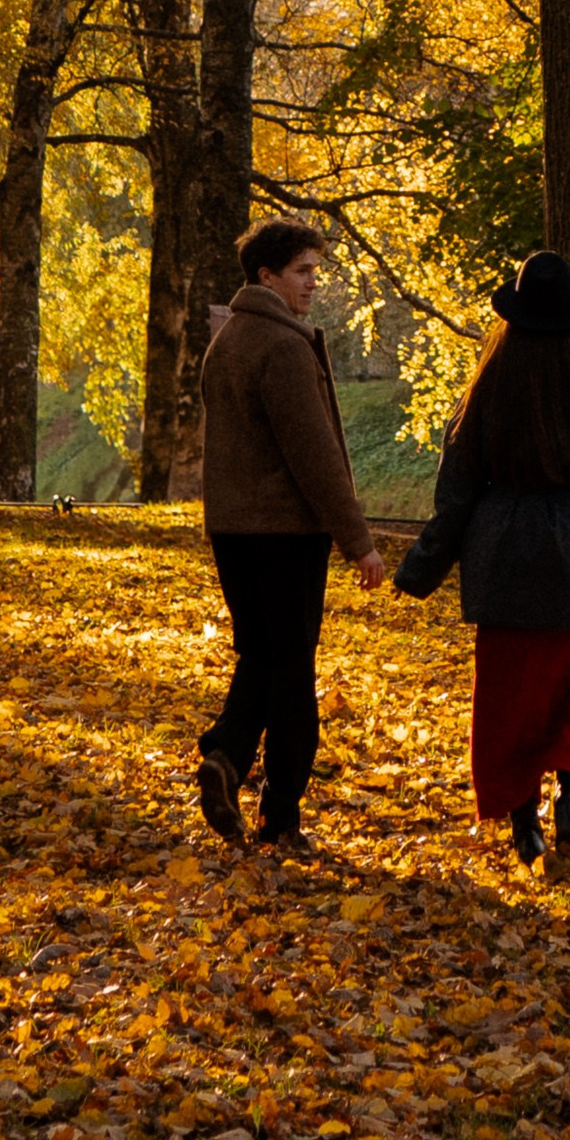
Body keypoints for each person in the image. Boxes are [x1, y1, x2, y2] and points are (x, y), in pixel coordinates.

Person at [390, 250, 570, 871]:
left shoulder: (487, 392)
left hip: (502, 558)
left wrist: (420, 570)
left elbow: (456, 495)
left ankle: (525, 825)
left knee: (508, 699)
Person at [196, 219, 387, 856]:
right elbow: (316, 456)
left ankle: (225, 758)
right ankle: (279, 815)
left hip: (234, 531)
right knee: (292, 671)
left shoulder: (227, 342)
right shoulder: (282, 348)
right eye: (302, 271)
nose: (312, 283)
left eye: (314, 271)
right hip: (285, 534)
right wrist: (357, 540)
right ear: (267, 275)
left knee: (261, 656)